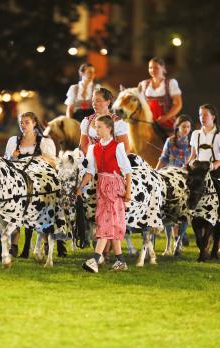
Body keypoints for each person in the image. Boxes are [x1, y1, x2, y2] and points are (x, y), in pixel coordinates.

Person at [76, 115, 132, 273]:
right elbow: (90, 172)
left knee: (106, 223)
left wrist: (128, 192)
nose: (97, 130)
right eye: (96, 127)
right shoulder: (94, 148)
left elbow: (127, 171)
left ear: (109, 129)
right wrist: (80, 187)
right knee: (110, 223)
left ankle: (94, 259)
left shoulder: (117, 147)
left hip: (115, 187)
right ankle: (121, 261)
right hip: (102, 187)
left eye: (100, 127)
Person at [4, 111, 57, 255]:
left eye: (26, 122)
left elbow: (53, 162)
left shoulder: (44, 141)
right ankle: (14, 245)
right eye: (21, 122)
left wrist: (40, 158)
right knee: (13, 207)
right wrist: (11, 156)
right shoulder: (13, 141)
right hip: (18, 181)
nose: (23, 125)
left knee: (41, 207)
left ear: (34, 123)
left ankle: (46, 241)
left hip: (37, 182)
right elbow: (6, 164)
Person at [156, 115, 192, 255]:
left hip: (184, 179)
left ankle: (179, 241)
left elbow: (192, 161)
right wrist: (155, 172)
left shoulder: (191, 143)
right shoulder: (170, 141)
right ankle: (168, 244)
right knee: (168, 211)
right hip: (169, 178)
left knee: (184, 212)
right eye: (184, 127)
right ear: (177, 127)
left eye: (188, 127)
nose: (186, 130)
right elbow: (163, 158)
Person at [138, 57, 183, 137]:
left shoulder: (170, 83)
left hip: (167, 123)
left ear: (163, 68)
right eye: (150, 67)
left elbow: (178, 104)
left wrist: (165, 118)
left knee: (172, 143)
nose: (153, 70)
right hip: (148, 123)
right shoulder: (143, 84)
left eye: (156, 67)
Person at [79, 87, 130, 155]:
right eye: (93, 101)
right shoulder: (87, 121)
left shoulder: (117, 122)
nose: (94, 103)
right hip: (91, 161)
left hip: (112, 161)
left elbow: (125, 149)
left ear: (108, 102)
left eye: (98, 101)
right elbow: (82, 146)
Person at [188, 104, 220, 178]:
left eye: (205, 115)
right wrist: (187, 165)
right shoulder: (195, 134)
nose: (202, 117)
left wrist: (215, 165)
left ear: (213, 117)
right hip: (198, 171)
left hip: (215, 172)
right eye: (200, 115)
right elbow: (193, 155)